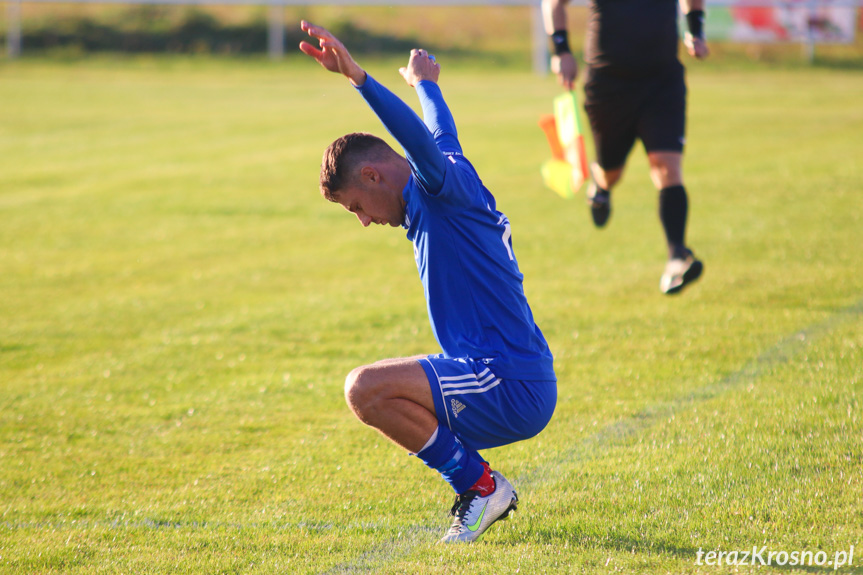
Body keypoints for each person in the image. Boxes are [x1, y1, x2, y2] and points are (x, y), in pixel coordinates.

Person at [299, 21, 557, 543]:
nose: (365, 221)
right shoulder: (444, 176)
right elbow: (439, 131)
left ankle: (481, 488)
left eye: (356, 208)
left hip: (507, 379)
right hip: (502, 372)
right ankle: (481, 487)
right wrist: (426, 85)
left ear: (373, 175)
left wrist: (359, 78)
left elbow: (419, 140)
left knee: (365, 389)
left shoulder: (436, 187)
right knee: (373, 392)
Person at [542, 0, 709, 294]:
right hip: (609, 85)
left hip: (662, 81)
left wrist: (695, 28)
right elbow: (554, 3)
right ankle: (601, 186)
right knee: (611, 172)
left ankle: (677, 257)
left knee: (667, 167)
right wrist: (561, 50)